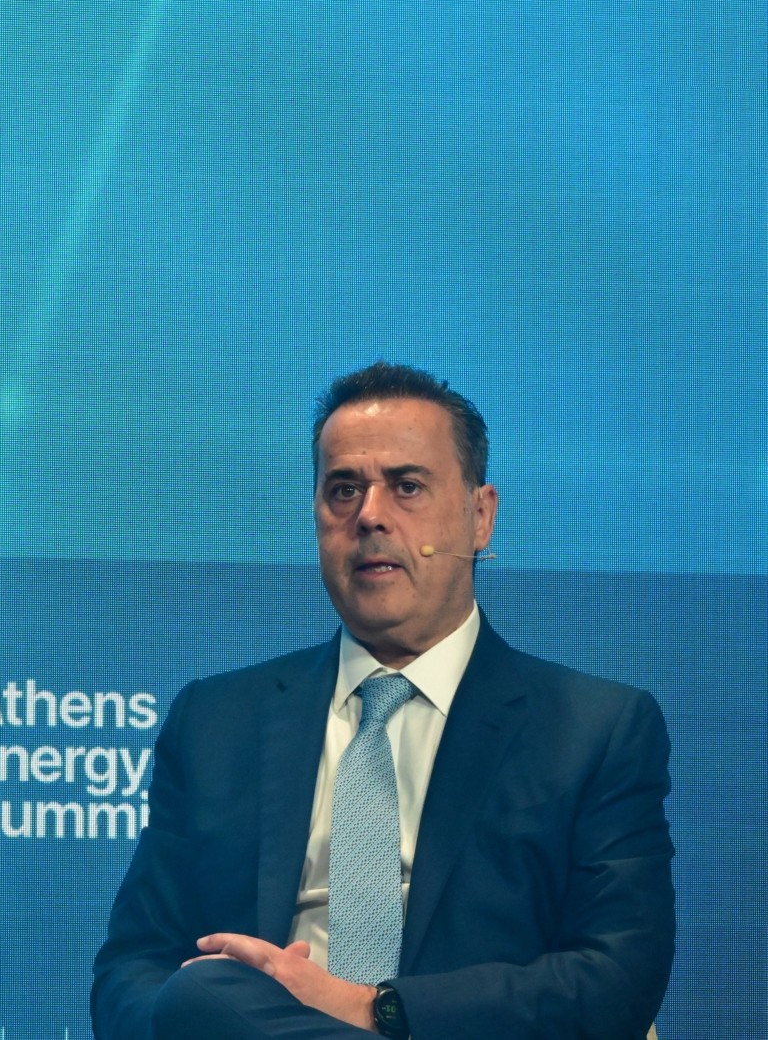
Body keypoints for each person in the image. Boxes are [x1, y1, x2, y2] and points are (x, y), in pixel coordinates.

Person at [91, 361, 673, 1040]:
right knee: (202, 991)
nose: (369, 515)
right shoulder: (215, 723)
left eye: (407, 486)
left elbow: (616, 978)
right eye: (343, 489)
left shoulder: (591, 730)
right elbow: (132, 968)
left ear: (480, 516)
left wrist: (369, 1008)